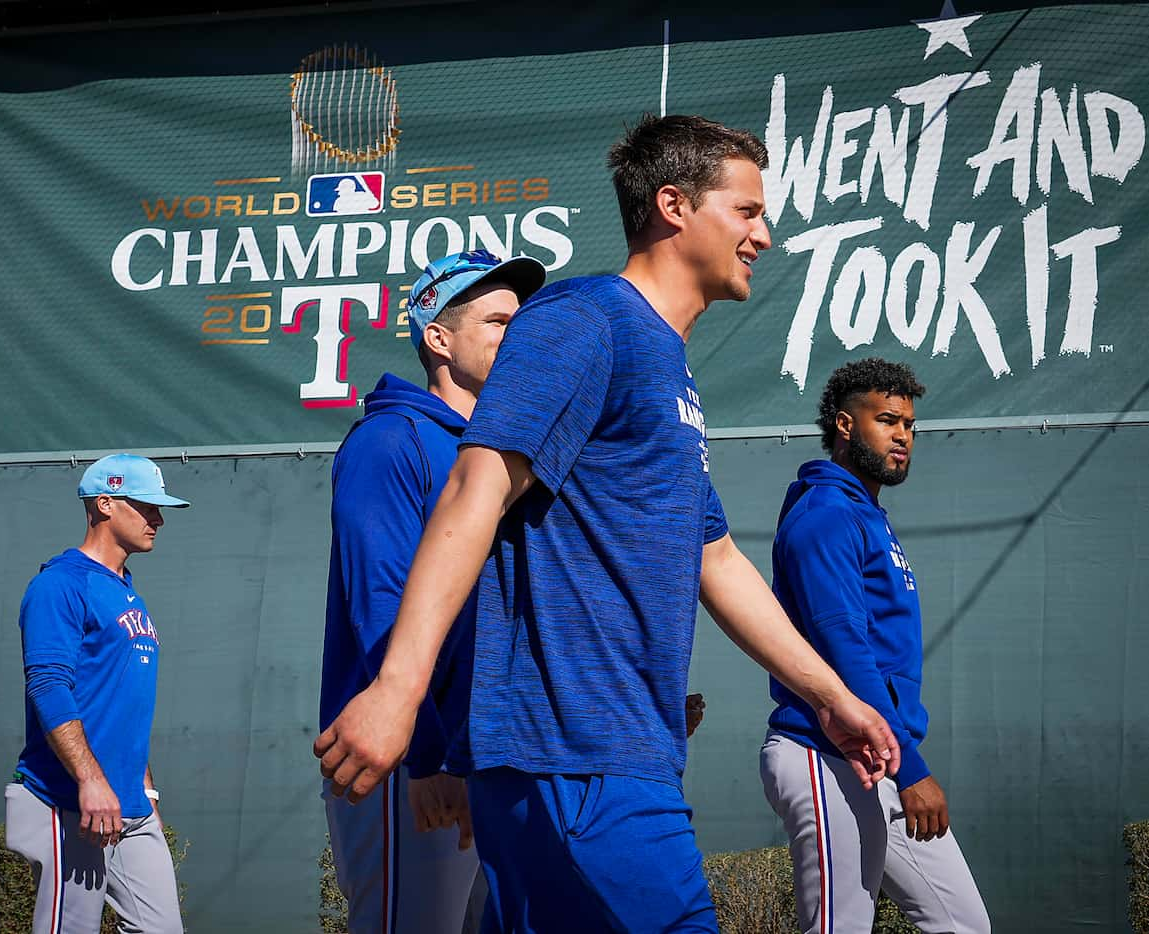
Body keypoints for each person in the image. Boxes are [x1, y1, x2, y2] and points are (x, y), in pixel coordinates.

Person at [314, 114, 903, 933]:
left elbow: (716, 557)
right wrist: (399, 690)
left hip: (617, 752)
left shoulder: (666, 364)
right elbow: (472, 491)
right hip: (573, 753)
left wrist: (830, 695)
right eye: (745, 211)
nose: (763, 235)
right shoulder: (583, 320)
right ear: (672, 206)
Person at [321, 249, 546, 934]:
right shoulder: (390, 440)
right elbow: (378, 604)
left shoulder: (501, 450)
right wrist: (424, 751)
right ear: (438, 338)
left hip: (492, 753)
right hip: (406, 756)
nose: (519, 336)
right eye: (499, 321)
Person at [760, 359, 990, 933]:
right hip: (826, 753)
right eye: (887, 420)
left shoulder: (868, 515)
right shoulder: (826, 513)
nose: (903, 436)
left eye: (910, 425)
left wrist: (898, 760)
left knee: (965, 925)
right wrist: (909, 770)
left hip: (877, 756)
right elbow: (845, 650)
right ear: (844, 424)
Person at [6, 453, 189, 934]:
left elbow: (124, 703)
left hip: (128, 803)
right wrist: (89, 779)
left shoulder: (127, 590)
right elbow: (48, 685)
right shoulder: (60, 584)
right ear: (105, 503)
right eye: (146, 505)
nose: (158, 518)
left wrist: (144, 787)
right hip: (67, 799)